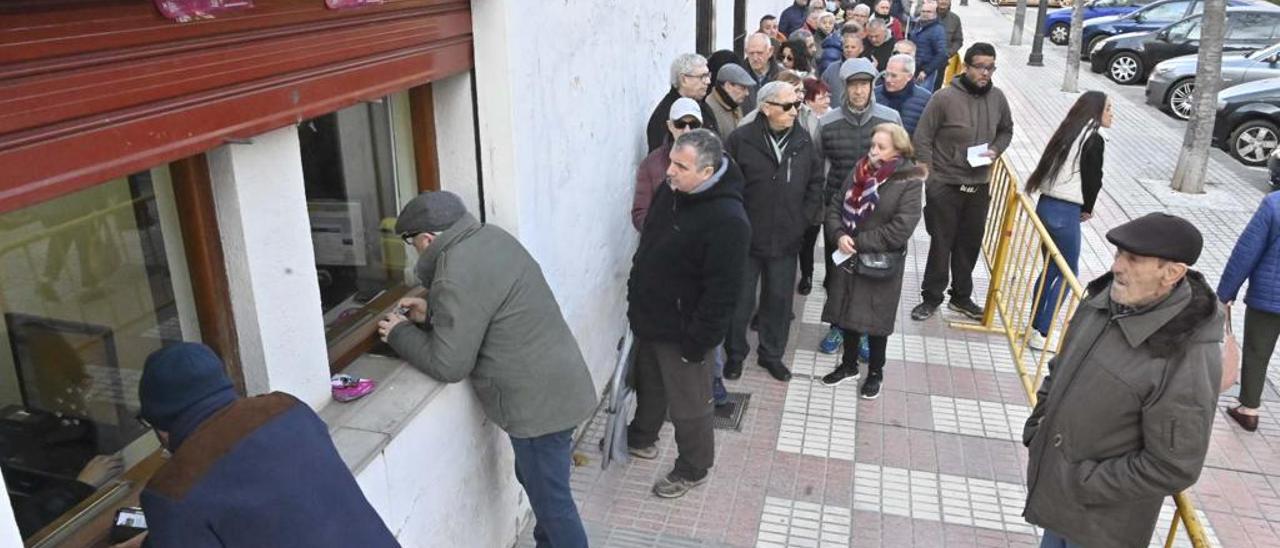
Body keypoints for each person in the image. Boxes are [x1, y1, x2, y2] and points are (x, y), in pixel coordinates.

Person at [379, 191, 597, 546]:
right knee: (539, 485)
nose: (413, 250)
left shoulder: (454, 273)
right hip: (558, 384)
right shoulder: (490, 237)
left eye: (411, 242)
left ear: (428, 239)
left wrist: (399, 333)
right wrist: (432, 312)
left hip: (537, 407)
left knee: (553, 504)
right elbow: (484, 307)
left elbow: (448, 364)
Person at [1022, 213, 1222, 548]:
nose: (1117, 266)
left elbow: (1174, 466)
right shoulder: (1102, 302)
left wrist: (1082, 482)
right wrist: (1037, 426)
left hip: (1101, 527)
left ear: (1172, 273)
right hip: (1059, 504)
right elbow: (1061, 366)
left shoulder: (1185, 352)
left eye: (1134, 259)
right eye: (1119, 254)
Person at [131, 343, 398, 548]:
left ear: (161, 427)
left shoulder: (172, 491)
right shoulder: (288, 409)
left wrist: (165, 528)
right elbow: (275, 514)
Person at [626, 129, 750, 498]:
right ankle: (641, 437)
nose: (670, 171)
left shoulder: (729, 220)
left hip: (685, 332)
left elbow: (723, 293)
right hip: (650, 316)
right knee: (648, 384)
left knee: (690, 405)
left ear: (707, 171)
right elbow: (648, 245)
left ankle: (693, 467)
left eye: (681, 166)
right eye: (672, 162)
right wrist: (635, 291)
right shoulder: (672, 192)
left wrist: (698, 342)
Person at [724, 81, 825, 383]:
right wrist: (736, 224)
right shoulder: (741, 139)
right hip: (746, 238)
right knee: (740, 300)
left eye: (797, 105)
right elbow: (727, 185)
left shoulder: (803, 140)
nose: (795, 111)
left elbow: (815, 183)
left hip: (786, 237)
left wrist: (802, 220)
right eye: (788, 105)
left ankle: (771, 355)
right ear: (766, 107)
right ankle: (735, 354)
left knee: (779, 301)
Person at [818, 124, 924, 399]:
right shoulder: (861, 168)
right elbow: (836, 204)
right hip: (849, 256)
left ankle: (875, 373)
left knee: (877, 320)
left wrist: (858, 242)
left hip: (879, 262)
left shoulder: (910, 179)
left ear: (898, 150)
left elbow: (901, 228)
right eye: (872, 145)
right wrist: (839, 234)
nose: (873, 151)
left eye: (881, 147)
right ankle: (849, 366)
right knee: (847, 311)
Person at [910, 43, 1014, 322]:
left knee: (969, 243)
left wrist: (995, 149)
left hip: (979, 185)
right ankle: (931, 297)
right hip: (945, 184)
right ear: (966, 67)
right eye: (980, 67)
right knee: (941, 244)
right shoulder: (943, 98)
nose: (985, 73)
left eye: (990, 68)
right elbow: (922, 138)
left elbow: (1006, 130)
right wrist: (931, 179)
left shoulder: (998, 98)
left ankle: (961, 297)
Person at [814, 58, 903, 354]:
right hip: (838, 212)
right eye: (853, 85)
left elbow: (902, 164)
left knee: (870, 274)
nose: (859, 91)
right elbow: (817, 167)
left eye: (864, 84)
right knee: (837, 272)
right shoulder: (827, 122)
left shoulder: (889, 119)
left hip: (877, 214)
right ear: (844, 87)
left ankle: (864, 331)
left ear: (872, 86)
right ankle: (837, 326)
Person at [1024, 91, 1110, 350]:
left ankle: (1034, 326)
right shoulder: (1092, 138)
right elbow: (1093, 178)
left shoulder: (1068, 131)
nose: (1111, 114)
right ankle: (1042, 331)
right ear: (1095, 111)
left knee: (1051, 268)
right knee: (1067, 271)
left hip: (1046, 205)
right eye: (1108, 109)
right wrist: (1088, 208)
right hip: (1065, 209)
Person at [1219, 191, 1280, 432]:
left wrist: (1225, 292)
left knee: (1257, 351)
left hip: (1269, 296)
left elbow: (1246, 251)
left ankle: (1249, 409)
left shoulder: (1275, 204)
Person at [633, 98, 704, 230]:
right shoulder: (652, 163)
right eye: (680, 124)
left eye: (693, 124)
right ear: (670, 125)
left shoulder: (715, 161)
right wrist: (665, 232)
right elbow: (640, 213)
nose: (687, 130)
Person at [646, 53, 719, 152]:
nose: (708, 81)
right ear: (684, 79)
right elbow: (660, 156)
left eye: (708, 75)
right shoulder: (665, 115)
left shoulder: (703, 106)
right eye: (702, 76)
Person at [875, 54, 932, 136]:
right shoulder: (874, 95)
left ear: (909, 77)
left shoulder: (925, 100)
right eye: (886, 74)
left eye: (894, 76)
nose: (888, 80)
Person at [707, 64, 757, 140]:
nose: (747, 93)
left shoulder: (734, 103)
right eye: (742, 88)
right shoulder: (709, 108)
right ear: (728, 86)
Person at [821, 25, 865, 108]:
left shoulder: (868, 69)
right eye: (846, 47)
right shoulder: (831, 69)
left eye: (853, 47)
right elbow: (822, 91)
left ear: (861, 49)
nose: (849, 50)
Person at [909, 1, 949, 90]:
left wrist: (926, 71)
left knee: (922, 95)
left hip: (925, 72)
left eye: (929, 12)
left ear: (935, 13)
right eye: (923, 11)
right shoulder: (918, 25)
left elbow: (942, 54)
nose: (925, 14)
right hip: (914, 69)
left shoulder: (938, 30)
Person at [742, 33, 783, 112]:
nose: (755, 58)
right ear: (746, 52)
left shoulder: (783, 75)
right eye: (751, 53)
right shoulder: (738, 77)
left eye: (759, 53)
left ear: (770, 51)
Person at [937, 0, 964, 91]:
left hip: (942, 62)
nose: (943, 1)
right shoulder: (927, 14)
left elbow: (958, 40)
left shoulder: (955, 19)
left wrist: (948, 53)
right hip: (924, 61)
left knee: (936, 87)